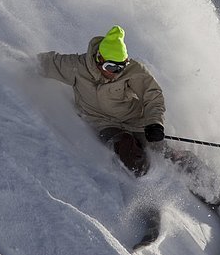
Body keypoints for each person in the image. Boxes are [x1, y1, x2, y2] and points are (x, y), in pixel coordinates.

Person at [38, 25, 165, 176]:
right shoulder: (77, 68)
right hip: (104, 123)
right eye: (111, 67)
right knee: (126, 148)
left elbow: (152, 94)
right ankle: (149, 178)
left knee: (161, 150)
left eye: (121, 67)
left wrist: (154, 123)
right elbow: (47, 63)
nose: (116, 73)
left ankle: (193, 173)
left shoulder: (133, 71)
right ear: (99, 59)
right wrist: (16, 63)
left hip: (135, 121)